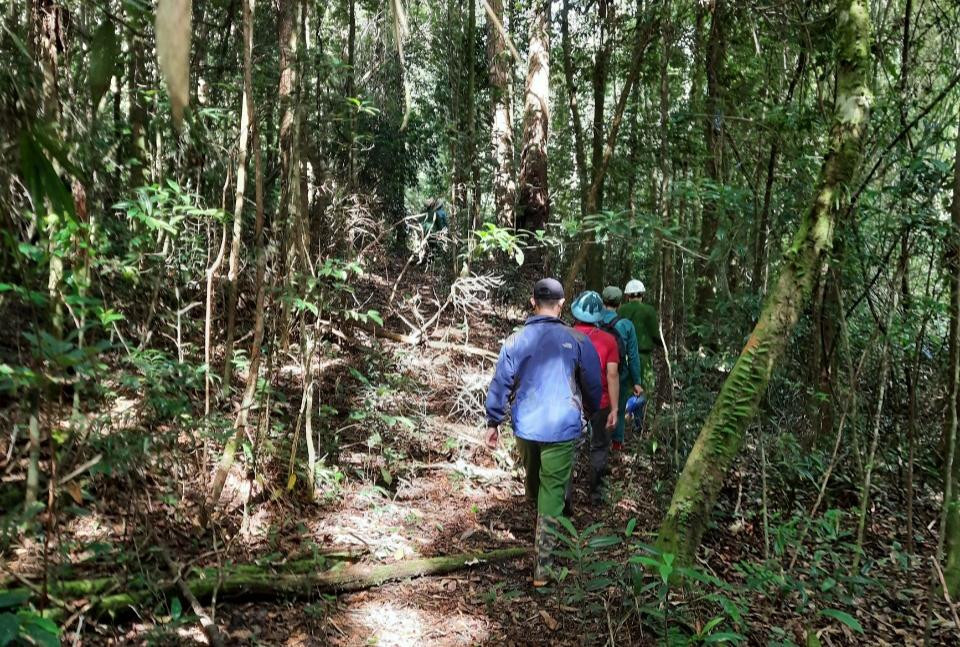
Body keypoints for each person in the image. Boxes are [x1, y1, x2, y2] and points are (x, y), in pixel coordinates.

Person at [485, 278, 603, 586]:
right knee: (550, 489)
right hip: (562, 426)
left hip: (526, 424)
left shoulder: (515, 340)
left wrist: (493, 421)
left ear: (532, 302)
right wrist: (590, 410)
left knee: (537, 480)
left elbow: (501, 382)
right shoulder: (577, 340)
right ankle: (544, 565)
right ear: (563, 303)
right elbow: (592, 384)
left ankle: (540, 524)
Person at [568, 290, 620, 507]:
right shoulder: (608, 340)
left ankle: (564, 498)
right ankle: (596, 496)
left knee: (569, 448)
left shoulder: (566, 335)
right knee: (599, 447)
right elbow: (612, 374)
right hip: (601, 401)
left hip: (572, 401)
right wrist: (615, 408)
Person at [600, 286, 644, 452]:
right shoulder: (626, 326)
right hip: (620, 373)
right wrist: (637, 382)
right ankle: (616, 444)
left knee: (596, 408)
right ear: (619, 304)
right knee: (617, 407)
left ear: (603, 302)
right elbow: (633, 356)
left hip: (596, 372)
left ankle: (595, 442)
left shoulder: (594, 321)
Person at [618, 279, 660, 436]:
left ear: (628, 295)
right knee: (644, 392)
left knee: (628, 390)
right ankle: (626, 416)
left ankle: (635, 426)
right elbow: (656, 335)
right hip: (642, 357)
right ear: (642, 294)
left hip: (623, 357)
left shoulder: (621, 311)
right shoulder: (648, 310)